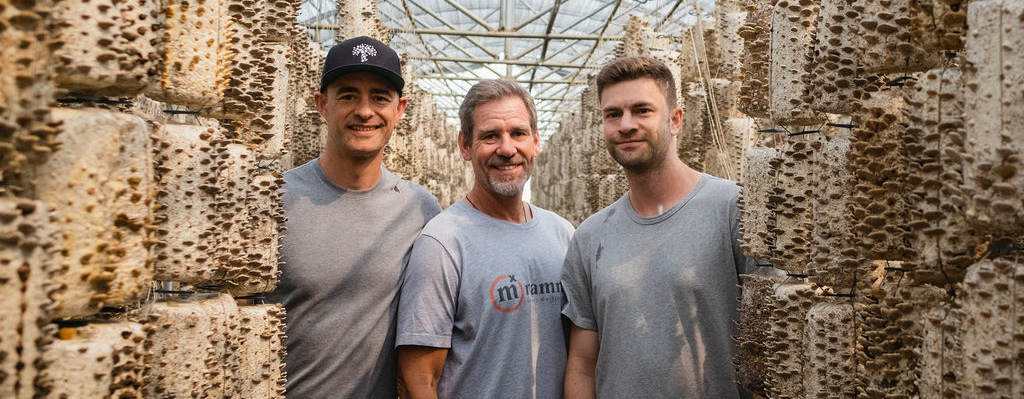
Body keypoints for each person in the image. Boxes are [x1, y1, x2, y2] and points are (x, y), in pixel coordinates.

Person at [561, 56, 754, 399]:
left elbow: (772, 345)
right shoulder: (589, 237)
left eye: (642, 110)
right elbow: (581, 362)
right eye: (613, 114)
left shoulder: (733, 209)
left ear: (675, 120)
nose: (626, 125)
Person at [268, 36, 441, 398]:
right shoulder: (272, 199)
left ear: (400, 109)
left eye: (379, 97)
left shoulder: (420, 209)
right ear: (322, 105)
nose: (365, 111)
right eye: (348, 95)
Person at [396, 80, 574, 399]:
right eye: (490, 136)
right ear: (465, 145)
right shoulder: (442, 243)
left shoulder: (562, 234)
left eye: (518, 134)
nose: (506, 149)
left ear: (536, 142)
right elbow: (418, 380)